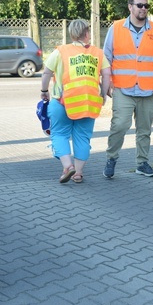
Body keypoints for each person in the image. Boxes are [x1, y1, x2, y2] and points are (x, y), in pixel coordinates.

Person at [103, 0, 153, 179]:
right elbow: (106, 58)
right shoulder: (116, 28)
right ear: (130, 6)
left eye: (146, 6)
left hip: (149, 89)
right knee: (120, 125)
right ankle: (111, 158)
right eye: (140, 5)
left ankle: (142, 163)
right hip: (123, 88)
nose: (143, 9)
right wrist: (105, 83)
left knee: (144, 129)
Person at [40, 19, 111, 183]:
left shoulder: (61, 51)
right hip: (88, 103)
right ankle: (78, 173)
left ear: (72, 34)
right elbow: (106, 74)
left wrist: (44, 91)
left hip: (61, 102)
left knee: (59, 134)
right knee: (83, 137)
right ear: (87, 33)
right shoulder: (98, 53)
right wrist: (103, 94)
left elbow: (46, 73)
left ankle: (68, 166)